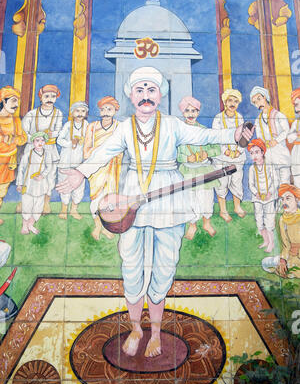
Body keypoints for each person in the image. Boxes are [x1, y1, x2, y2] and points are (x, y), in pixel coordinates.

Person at [56, 66, 253, 359]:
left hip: (169, 200)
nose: (146, 96)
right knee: (131, 264)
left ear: (160, 95)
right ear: (131, 96)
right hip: (132, 197)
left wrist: (235, 133)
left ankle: (157, 333)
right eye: (140, 90)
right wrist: (81, 173)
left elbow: (204, 135)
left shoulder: (173, 124)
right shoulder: (125, 127)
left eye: (151, 90)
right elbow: (104, 152)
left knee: (165, 264)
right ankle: (136, 329)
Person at [177, 96, 221, 238]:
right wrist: (185, 158)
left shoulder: (204, 131)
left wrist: (207, 153)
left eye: (194, 111)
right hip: (188, 171)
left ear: (198, 112)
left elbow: (217, 149)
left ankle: (207, 222)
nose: (190, 114)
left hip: (204, 170)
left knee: (206, 198)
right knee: (190, 199)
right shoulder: (179, 133)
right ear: (183, 113)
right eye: (187, 111)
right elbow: (174, 154)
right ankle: (192, 225)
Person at [83, 96, 122, 240]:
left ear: (115, 111)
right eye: (103, 109)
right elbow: (86, 151)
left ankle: (105, 227)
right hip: (96, 170)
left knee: (110, 199)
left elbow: (122, 149)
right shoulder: (92, 127)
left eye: (109, 109)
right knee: (96, 199)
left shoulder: (119, 127)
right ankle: (97, 226)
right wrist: (99, 153)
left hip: (113, 169)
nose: (106, 112)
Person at [21, 84, 63, 214]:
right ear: (41, 97)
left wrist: (52, 134)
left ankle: (46, 204)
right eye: (46, 96)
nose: (50, 99)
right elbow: (24, 132)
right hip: (32, 149)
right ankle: (24, 204)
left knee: (49, 177)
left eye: (53, 96)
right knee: (28, 176)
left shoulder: (58, 113)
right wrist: (35, 139)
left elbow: (58, 131)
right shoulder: (32, 114)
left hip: (50, 149)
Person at [212, 88, 246, 222]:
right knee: (222, 182)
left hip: (237, 156)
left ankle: (237, 207)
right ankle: (223, 210)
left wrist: (238, 151)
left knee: (237, 181)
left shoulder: (240, 118)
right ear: (225, 102)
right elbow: (216, 137)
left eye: (236, 101)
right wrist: (226, 151)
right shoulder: (218, 118)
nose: (233, 103)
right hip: (222, 157)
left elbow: (244, 136)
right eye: (230, 100)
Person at [250, 86, 291, 185]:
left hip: (281, 155)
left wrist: (276, 140)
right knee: (274, 184)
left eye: (259, 99)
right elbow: (260, 138)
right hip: (268, 156)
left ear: (265, 97)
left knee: (285, 183)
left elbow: (286, 131)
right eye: (255, 102)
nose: (258, 104)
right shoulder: (257, 121)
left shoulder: (278, 115)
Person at [57, 101, 89, 220]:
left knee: (79, 187)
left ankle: (74, 210)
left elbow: (90, 140)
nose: (80, 113)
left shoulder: (86, 125)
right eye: (77, 111)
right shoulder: (68, 125)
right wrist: (71, 143)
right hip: (66, 160)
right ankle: (64, 210)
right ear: (72, 113)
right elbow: (59, 140)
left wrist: (83, 142)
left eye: (83, 111)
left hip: (79, 161)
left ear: (86, 113)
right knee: (64, 185)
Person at [0, 86, 27, 224]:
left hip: (9, 161)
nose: (16, 105)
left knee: (2, 191)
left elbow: (23, 138)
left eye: (17, 101)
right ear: (3, 102)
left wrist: (14, 139)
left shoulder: (16, 121)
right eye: (13, 101)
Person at [16, 132, 52, 235]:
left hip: (41, 185)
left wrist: (42, 175)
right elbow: (21, 169)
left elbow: (48, 167)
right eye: (37, 140)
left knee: (38, 206)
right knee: (27, 205)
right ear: (33, 142)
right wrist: (19, 183)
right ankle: (24, 225)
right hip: (29, 185)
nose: (40, 143)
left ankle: (31, 224)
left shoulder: (47, 154)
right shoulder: (28, 155)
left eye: (42, 140)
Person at [262, 183, 300, 279]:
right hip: (291, 256)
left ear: (297, 200)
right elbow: (286, 245)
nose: (284, 202)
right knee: (265, 263)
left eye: (288, 198)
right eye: (282, 199)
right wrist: (283, 259)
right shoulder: (283, 219)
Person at [248, 139, 278, 253]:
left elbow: (275, 180)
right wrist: (256, 193)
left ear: (262, 152)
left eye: (256, 152)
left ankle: (271, 243)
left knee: (269, 221)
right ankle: (265, 241)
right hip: (258, 199)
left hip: (269, 198)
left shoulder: (269, 165)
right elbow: (251, 184)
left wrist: (270, 192)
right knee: (259, 221)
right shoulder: (252, 168)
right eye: (251, 153)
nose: (254, 155)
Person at [287, 87, 300, 188]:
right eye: (296, 105)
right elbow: (289, 138)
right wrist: (296, 135)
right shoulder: (296, 123)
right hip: (297, 153)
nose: (297, 109)